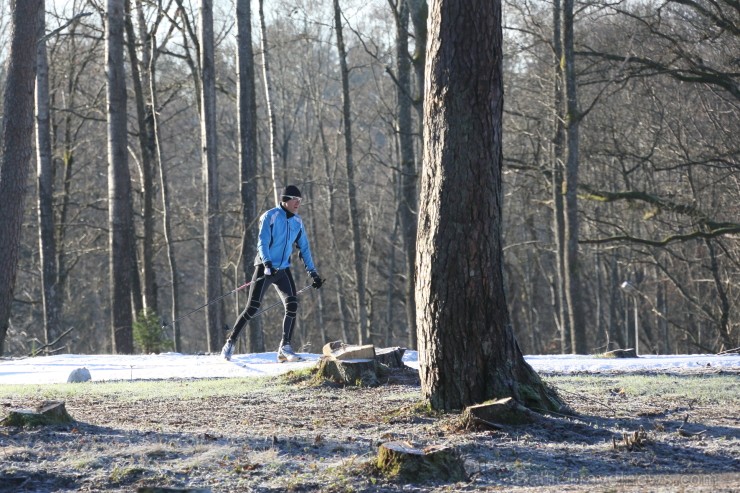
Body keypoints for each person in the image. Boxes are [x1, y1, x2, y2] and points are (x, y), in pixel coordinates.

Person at [221, 185, 324, 362]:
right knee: (252, 307)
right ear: (285, 200)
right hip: (265, 267)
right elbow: (262, 242)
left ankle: (285, 347)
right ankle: (230, 342)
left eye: (300, 200)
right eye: (294, 199)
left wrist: (313, 273)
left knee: (292, 304)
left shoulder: (297, 222)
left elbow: (304, 248)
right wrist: (267, 263)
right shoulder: (270, 216)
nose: (298, 203)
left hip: (282, 270)